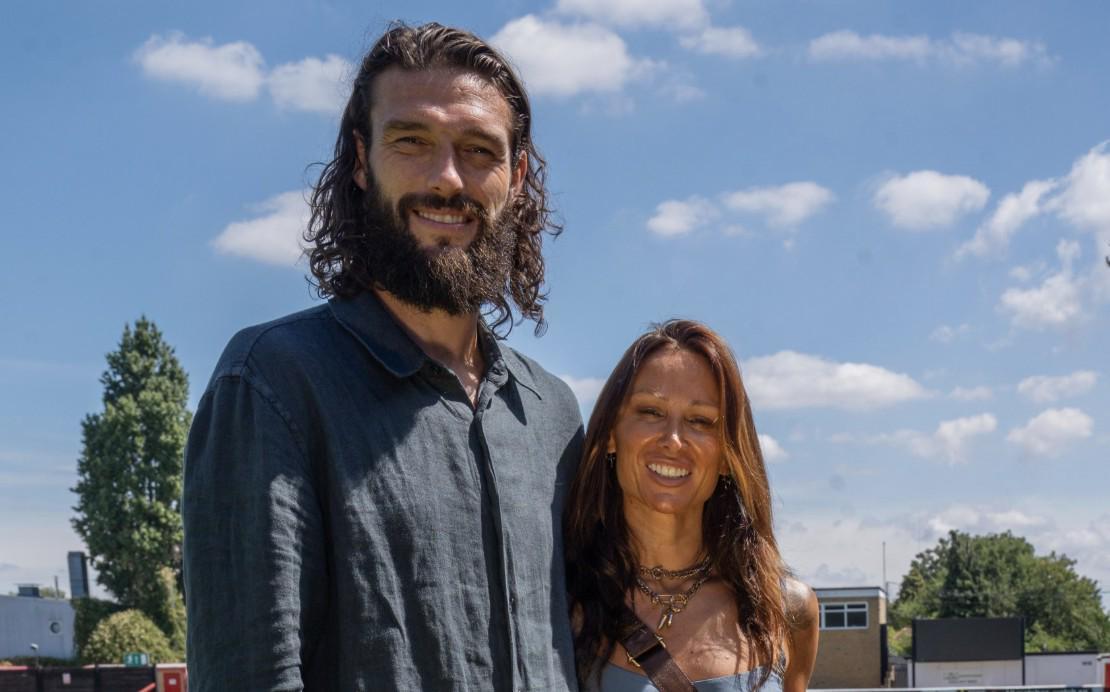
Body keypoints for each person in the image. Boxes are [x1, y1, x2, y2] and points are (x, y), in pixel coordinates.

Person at [182, 22, 583, 691]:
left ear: (515, 178)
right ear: (362, 162)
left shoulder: (554, 415)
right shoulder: (271, 382)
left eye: (478, 150)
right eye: (412, 141)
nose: (447, 178)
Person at [565, 320, 819, 691]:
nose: (673, 439)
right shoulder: (561, 604)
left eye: (700, 421)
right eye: (650, 412)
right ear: (611, 435)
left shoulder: (788, 609)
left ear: (728, 456)